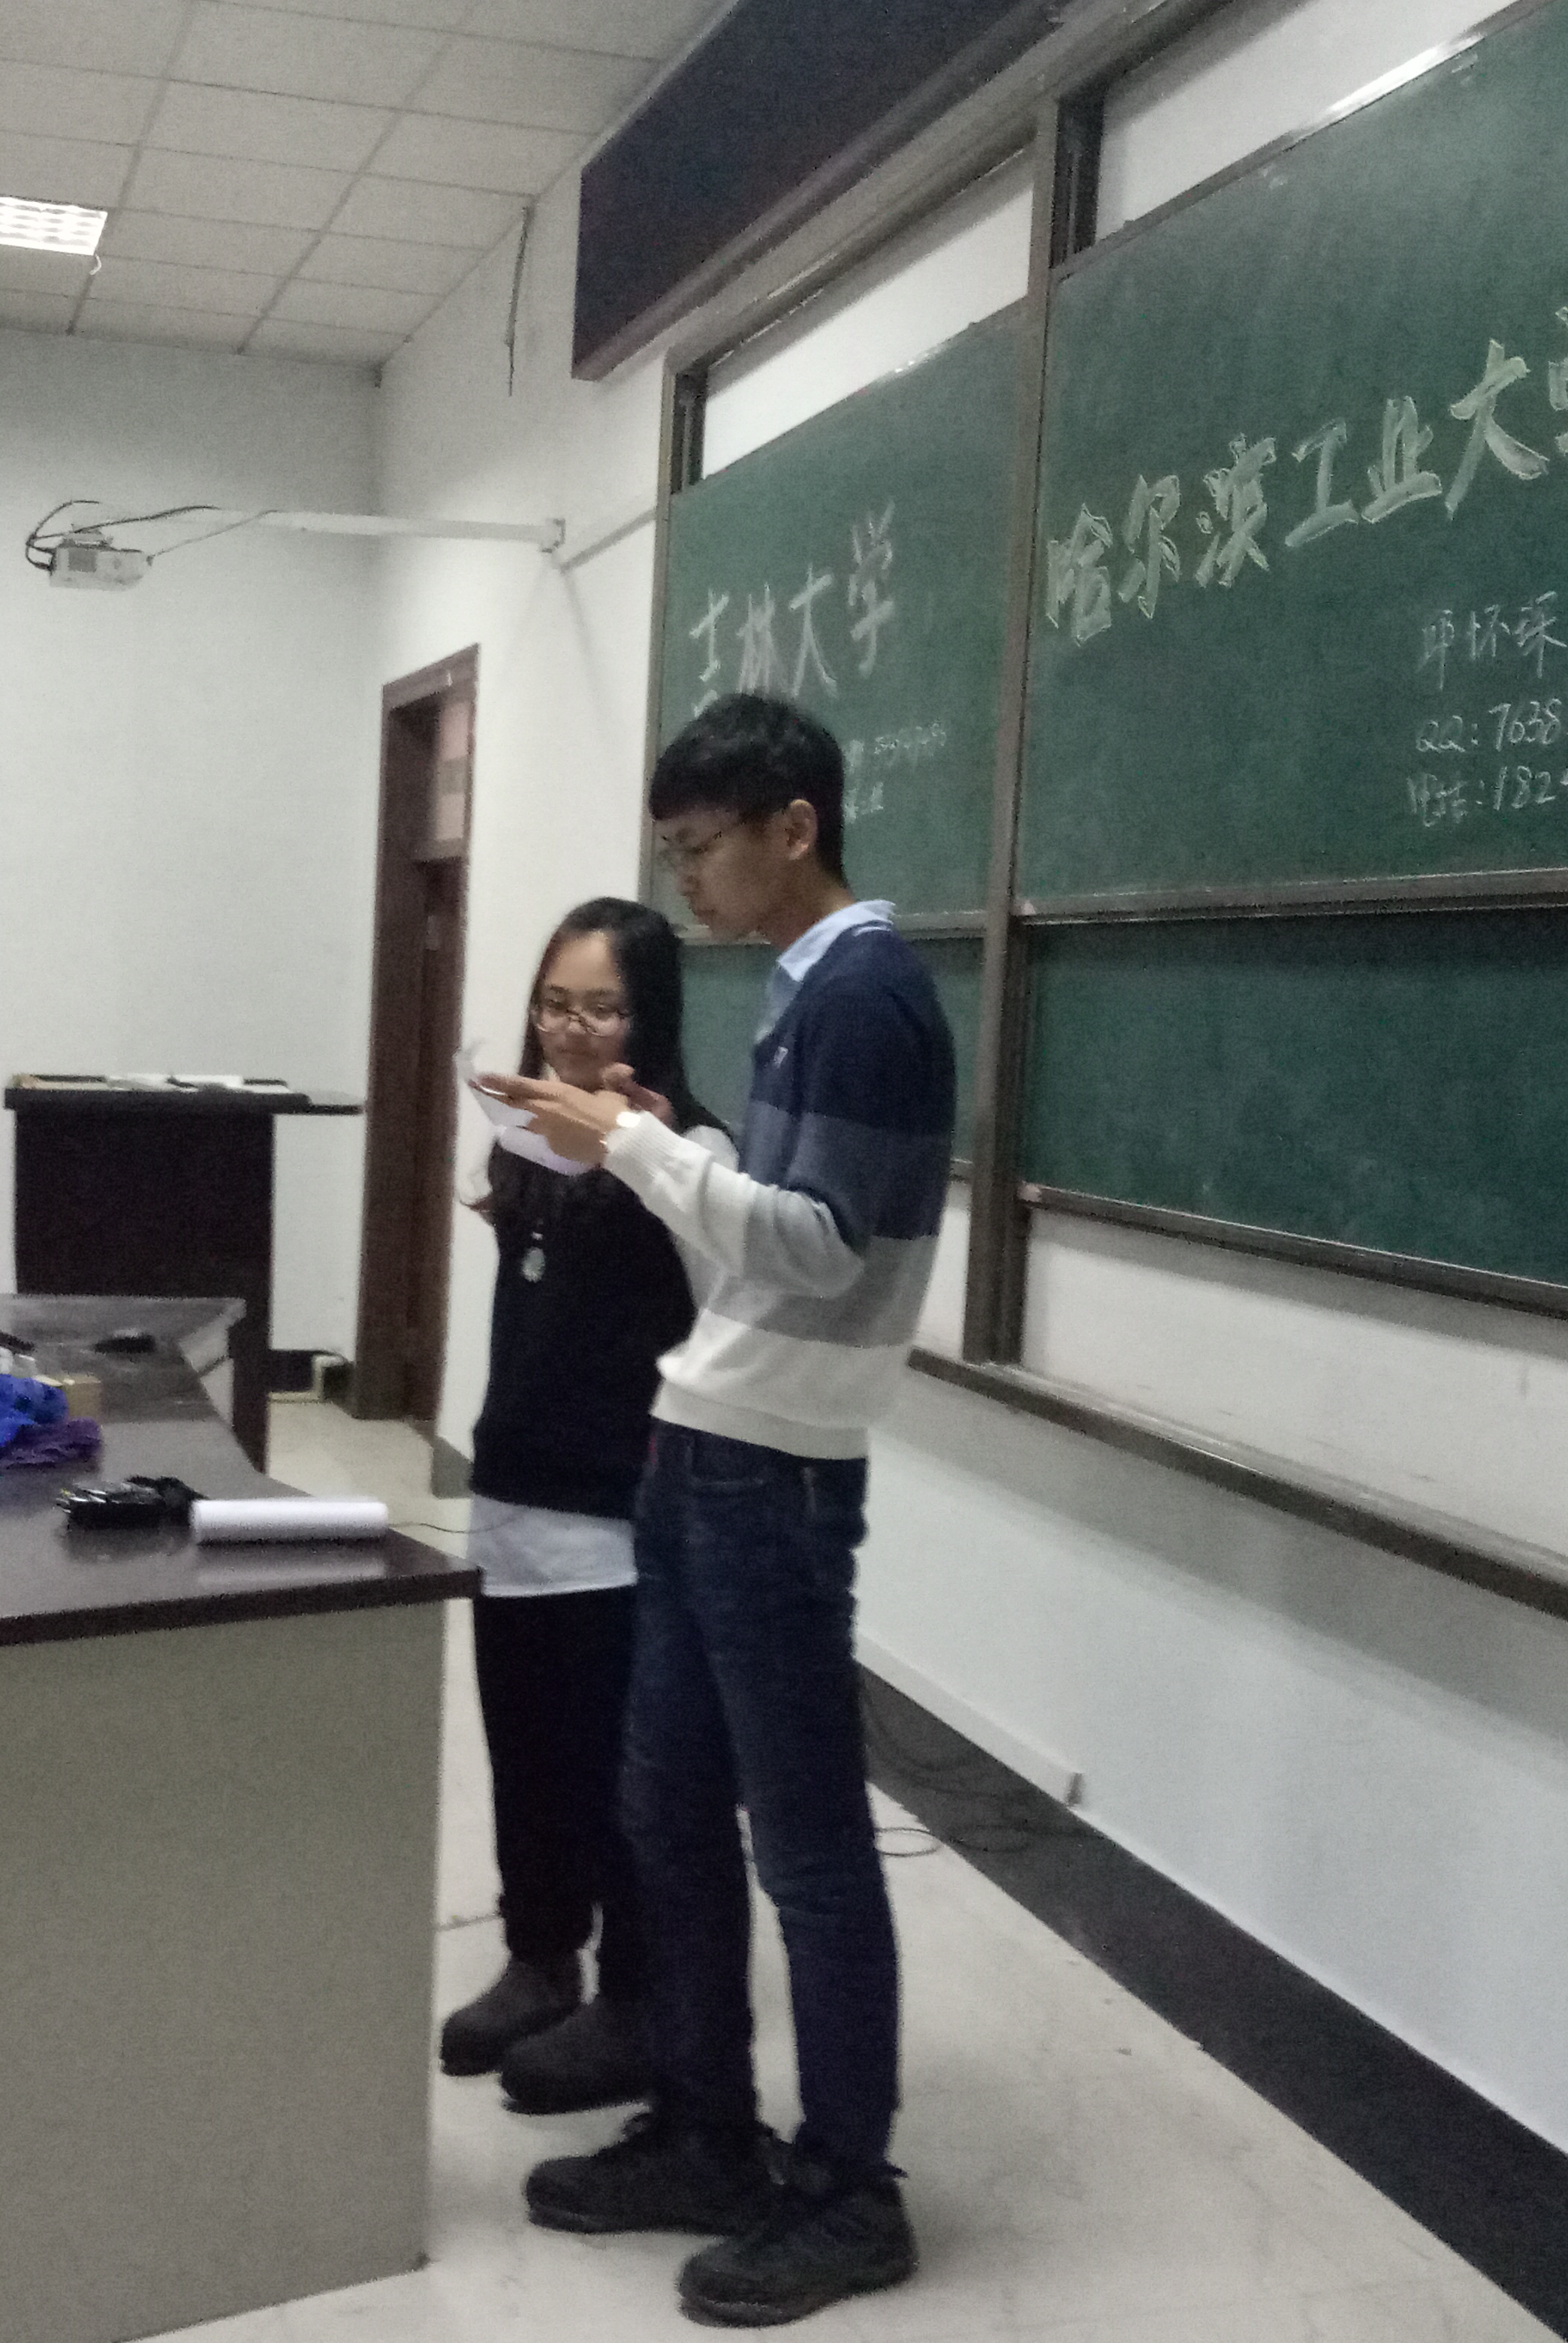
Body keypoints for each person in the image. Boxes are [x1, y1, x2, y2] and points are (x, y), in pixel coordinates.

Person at [476, 693, 957, 2327]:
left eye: (700, 849)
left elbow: (821, 1247)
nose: (686, 882)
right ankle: (704, 2129)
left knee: (808, 1845)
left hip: (775, 1474)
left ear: (793, 828)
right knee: (665, 1811)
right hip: (705, 1442)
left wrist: (633, 1147)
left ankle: (850, 2192)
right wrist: (645, 1148)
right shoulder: (809, 987)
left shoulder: (869, 995)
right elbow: (767, 1238)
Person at [442, 897, 734, 2117]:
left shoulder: (690, 1149)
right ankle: (539, 1957)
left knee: (617, 1773)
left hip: (621, 1516)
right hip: (512, 1492)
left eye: (602, 1009)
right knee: (524, 1751)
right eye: (555, 1004)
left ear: (649, 1017)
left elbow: (732, 1309)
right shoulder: (526, 1133)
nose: (570, 1031)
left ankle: (638, 1995)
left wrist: (642, 1154)